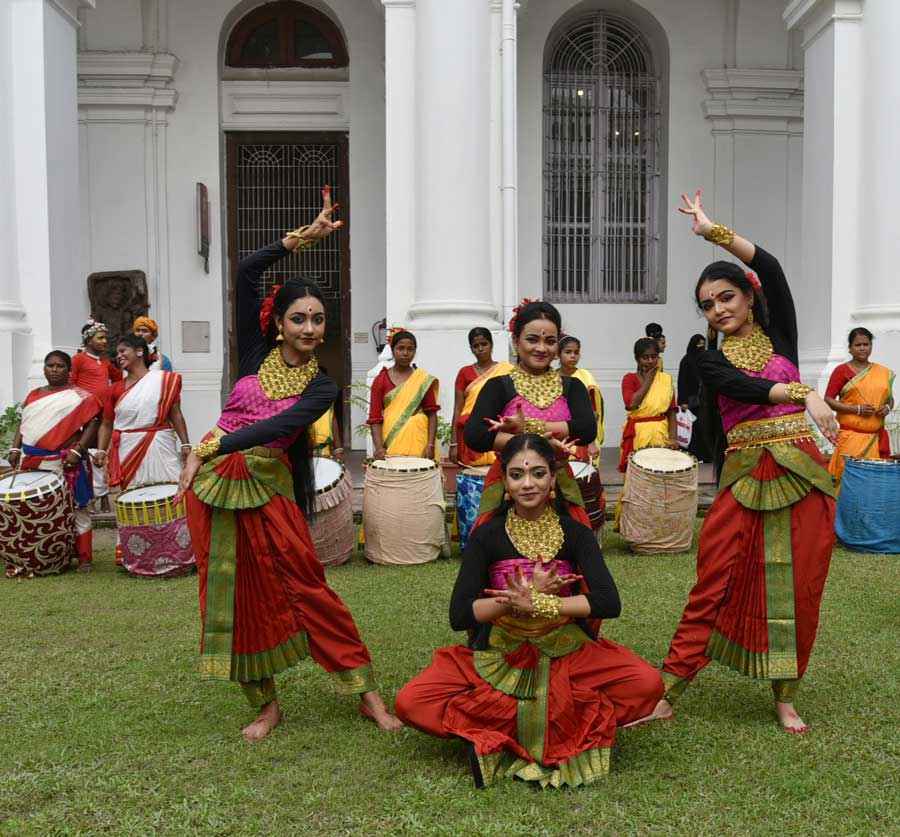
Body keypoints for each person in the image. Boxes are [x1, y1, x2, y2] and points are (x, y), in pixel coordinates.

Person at [173, 187, 402, 742]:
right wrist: (304, 237)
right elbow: (247, 271)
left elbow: (277, 429)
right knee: (231, 590)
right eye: (298, 318)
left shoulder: (322, 385)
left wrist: (209, 446)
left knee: (307, 586)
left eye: (318, 320)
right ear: (278, 323)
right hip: (211, 487)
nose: (309, 328)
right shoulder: (253, 352)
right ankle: (266, 703)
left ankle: (366, 693)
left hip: (262, 481)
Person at [648, 189, 839, 734]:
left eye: (726, 297)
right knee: (715, 576)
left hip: (802, 474)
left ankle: (785, 693)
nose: (718, 309)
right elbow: (745, 388)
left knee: (802, 582)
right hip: (744, 475)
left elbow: (772, 267)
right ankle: (672, 685)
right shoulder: (705, 360)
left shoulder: (782, 335)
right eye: (708, 304)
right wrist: (803, 394)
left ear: (748, 298)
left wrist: (714, 231)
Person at [395, 433, 663, 788]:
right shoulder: (487, 537)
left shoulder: (575, 534)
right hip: (502, 650)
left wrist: (542, 602)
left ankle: (502, 732)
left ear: (553, 478)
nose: (528, 484)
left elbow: (607, 602)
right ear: (504, 481)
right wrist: (512, 600)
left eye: (538, 474)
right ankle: (553, 726)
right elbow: (460, 614)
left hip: (566, 645)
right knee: (411, 702)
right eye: (517, 475)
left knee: (647, 684)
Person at [463, 299, 597, 529]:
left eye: (550, 341)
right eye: (532, 339)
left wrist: (525, 430)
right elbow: (475, 435)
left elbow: (586, 428)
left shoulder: (572, 386)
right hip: (508, 487)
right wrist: (544, 442)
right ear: (516, 342)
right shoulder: (498, 386)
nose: (542, 348)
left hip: (558, 486)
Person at [6, 351, 103, 573]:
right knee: (41, 508)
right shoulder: (33, 395)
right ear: (44, 369)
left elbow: (93, 424)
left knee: (76, 508)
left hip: (65, 460)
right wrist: (14, 447)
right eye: (51, 366)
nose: (55, 370)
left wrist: (78, 451)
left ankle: (85, 558)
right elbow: (24, 424)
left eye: (60, 366)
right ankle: (47, 555)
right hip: (32, 460)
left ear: (69, 371)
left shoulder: (81, 396)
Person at [94, 334, 190, 492]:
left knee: (171, 489)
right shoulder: (114, 389)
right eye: (117, 353)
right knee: (135, 493)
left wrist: (185, 444)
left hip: (160, 443)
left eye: (123, 350)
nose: (119, 356)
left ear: (139, 351)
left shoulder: (164, 381)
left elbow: (175, 413)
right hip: (128, 447)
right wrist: (101, 450)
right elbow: (106, 423)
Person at [824, 327, 895, 488]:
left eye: (866, 344)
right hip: (851, 438)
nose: (863, 348)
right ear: (850, 348)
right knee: (848, 483)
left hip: (876, 439)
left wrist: (887, 408)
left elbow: (890, 399)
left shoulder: (882, 372)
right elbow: (828, 399)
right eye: (858, 345)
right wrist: (856, 409)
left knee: (874, 486)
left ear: (871, 346)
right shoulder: (841, 371)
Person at [70, 319, 122, 513]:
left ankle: (104, 496)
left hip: (104, 414)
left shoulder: (105, 361)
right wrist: (85, 402)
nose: (104, 341)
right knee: (87, 453)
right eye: (100, 338)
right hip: (86, 415)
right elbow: (71, 383)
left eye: (105, 338)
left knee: (102, 452)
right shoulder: (78, 359)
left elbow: (117, 379)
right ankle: (90, 496)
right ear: (88, 340)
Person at [367, 329, 439, 461]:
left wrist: (430, 444)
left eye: (410, 349)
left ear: (415, 351)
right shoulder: (381, 380)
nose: (405, 353)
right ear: (393, 350)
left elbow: (432, 414)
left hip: (419, 441)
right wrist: (378, 448)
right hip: (391, 441)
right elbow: (375, 418)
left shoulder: (422, 379)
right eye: (400, 348)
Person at [450, 328, 514, 467]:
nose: (480, 349)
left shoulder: (506, 370)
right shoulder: (464, 373)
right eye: (476, 346)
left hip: (497, 429)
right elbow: (457, 409)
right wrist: (453, 442)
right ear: (471, 348)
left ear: (491, 345)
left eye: (484, 344)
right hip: (470, 430)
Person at [618, 338, 677, 472]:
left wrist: (673, 438)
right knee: (638, 475)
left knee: (659, 473)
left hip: (660, 433)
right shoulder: (629, 379)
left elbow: (672, 411)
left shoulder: (666, 379)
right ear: (637, 359)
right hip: (638, 433)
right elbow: (631, 404)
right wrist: (648, 380)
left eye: (653, 357)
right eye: (645, 357)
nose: (650, 361)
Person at [557, 334, 604, 463]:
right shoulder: (551, 378)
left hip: (583, 436)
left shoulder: (585, 376)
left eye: (576, 352)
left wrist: (591, 442)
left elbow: (593, 412)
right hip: (558, 435)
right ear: (558, 354)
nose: (573, 356)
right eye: (568, 352)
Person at [677, 334, 712, 462]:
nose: (701, 346)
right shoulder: (686, 360)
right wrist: (683, 401)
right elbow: (682, 381)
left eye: (703, 343)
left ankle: (706, 454)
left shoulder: (706, 359)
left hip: (705, 401)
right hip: (692, 401)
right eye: (698, 344)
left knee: (705, 427)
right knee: (693, 428)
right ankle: (694, 454)